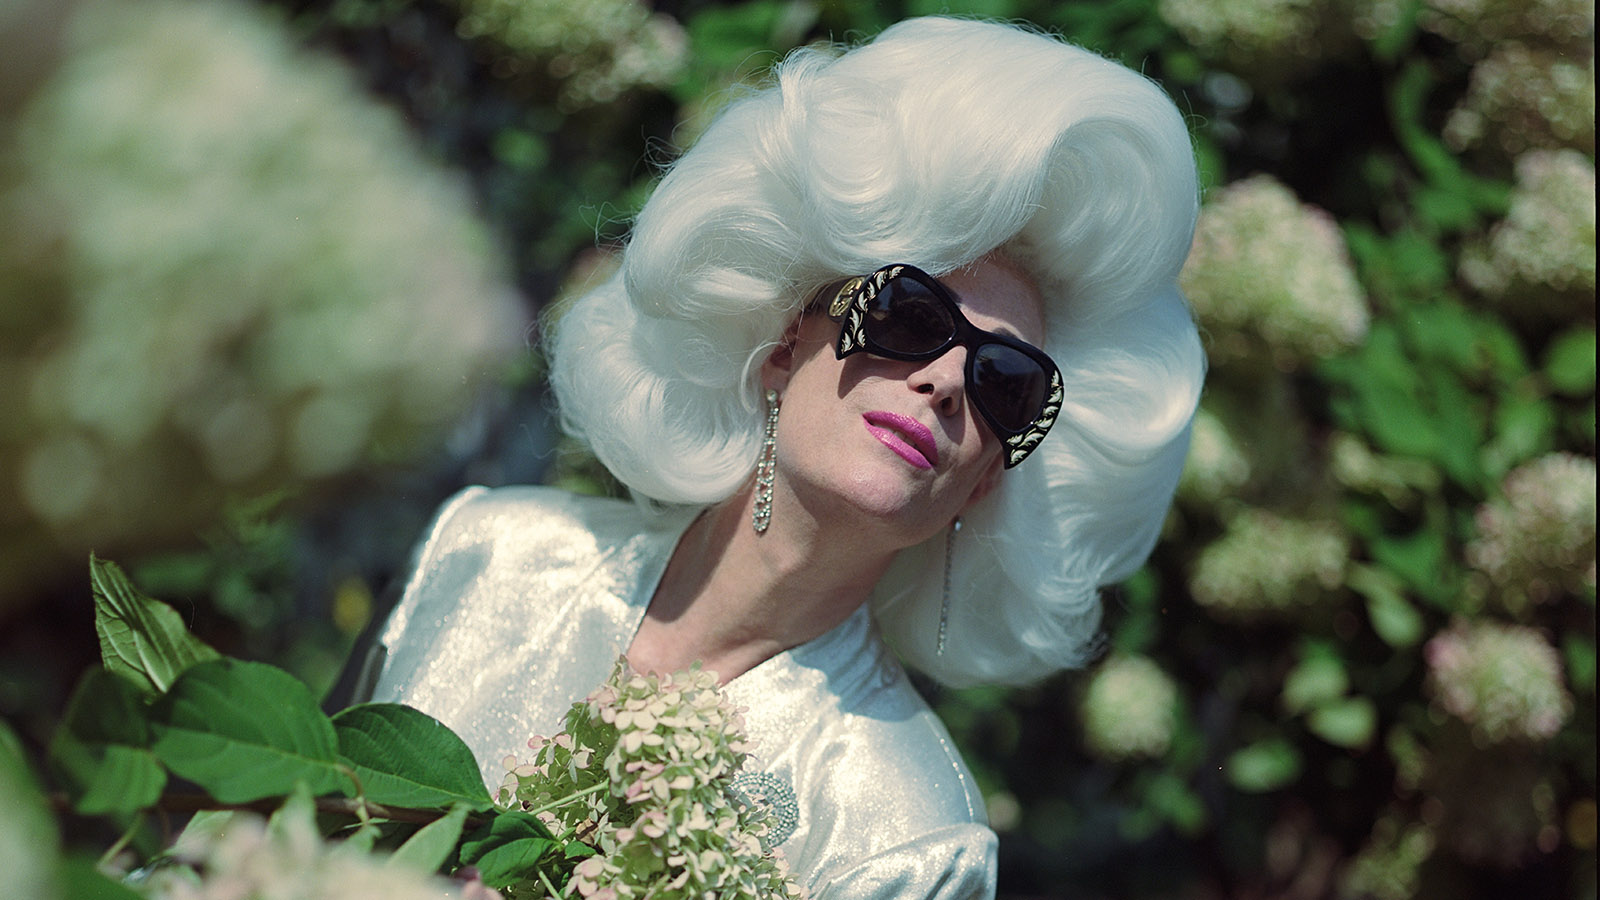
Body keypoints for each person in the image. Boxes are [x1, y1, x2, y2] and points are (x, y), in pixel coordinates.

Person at [354, 16, 1203, 899]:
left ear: (988, 478)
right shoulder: (485, 551)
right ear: (787, 340)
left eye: (1007, 382)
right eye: (910, 316)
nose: (948, 379)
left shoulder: (912, 840)